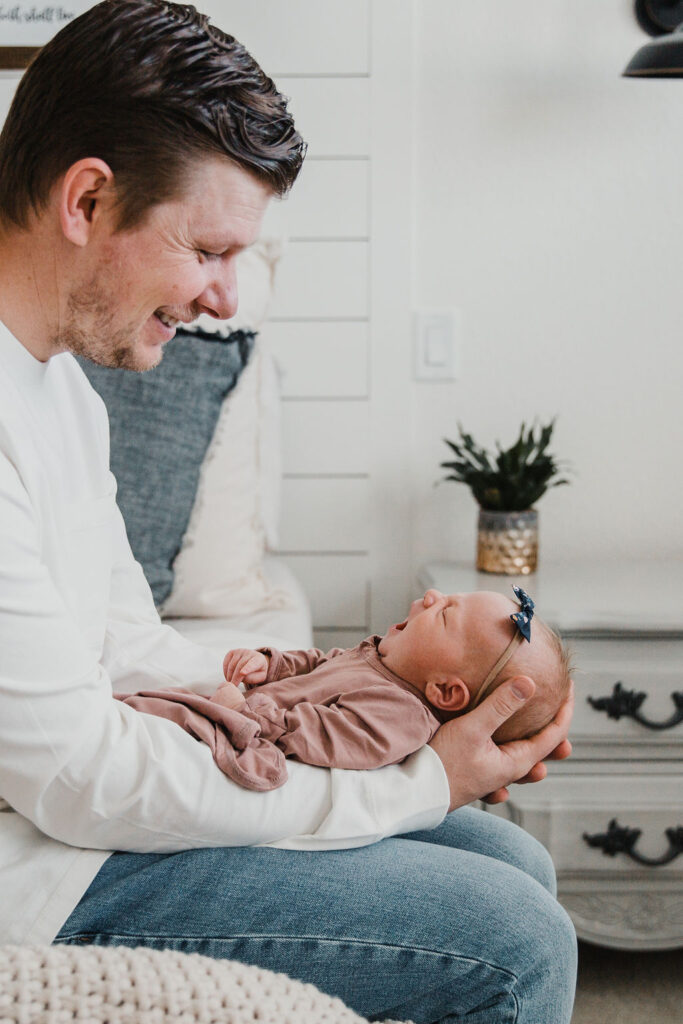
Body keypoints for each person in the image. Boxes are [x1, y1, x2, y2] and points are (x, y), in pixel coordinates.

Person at [0, 1, 576, 1020]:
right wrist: (410, 785)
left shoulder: (59, 394)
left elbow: (127, 643)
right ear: (88, 198)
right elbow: (80, 774)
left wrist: (402, 708)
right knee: (515, 943)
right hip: (40, 865)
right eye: (209, 249)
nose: (226, 296)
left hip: (75, 821)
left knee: (508, 856)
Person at [117, 586, 572, 791]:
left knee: (150, 723)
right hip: (239, 713)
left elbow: (317, 735)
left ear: (446, 692)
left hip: (242, 738)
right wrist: (270, 665)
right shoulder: (379, 659)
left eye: (447, 614)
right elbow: (318, 663)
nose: (431, 595)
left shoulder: (401, 716)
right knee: (143, 704)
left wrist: (246, 713)